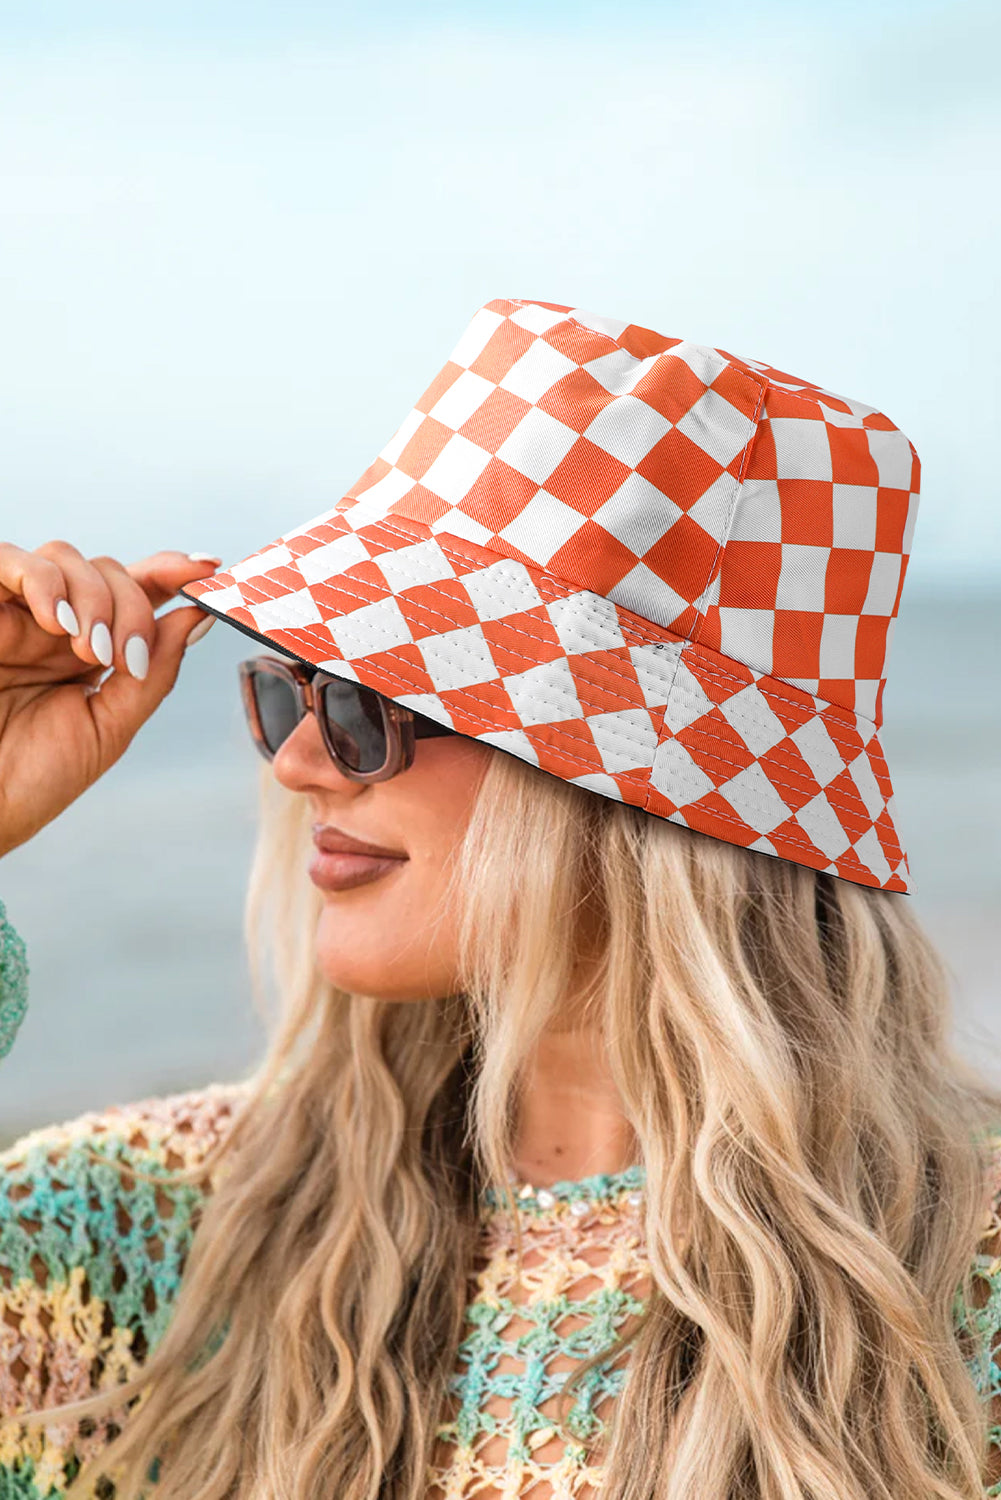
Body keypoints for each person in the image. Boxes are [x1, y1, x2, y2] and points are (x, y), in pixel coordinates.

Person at [1, 297, 1000, 1500]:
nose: (298, 761)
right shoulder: (135, 1231)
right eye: (290, 689)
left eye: (380, 703)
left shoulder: (965, 1279)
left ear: (643, 790)